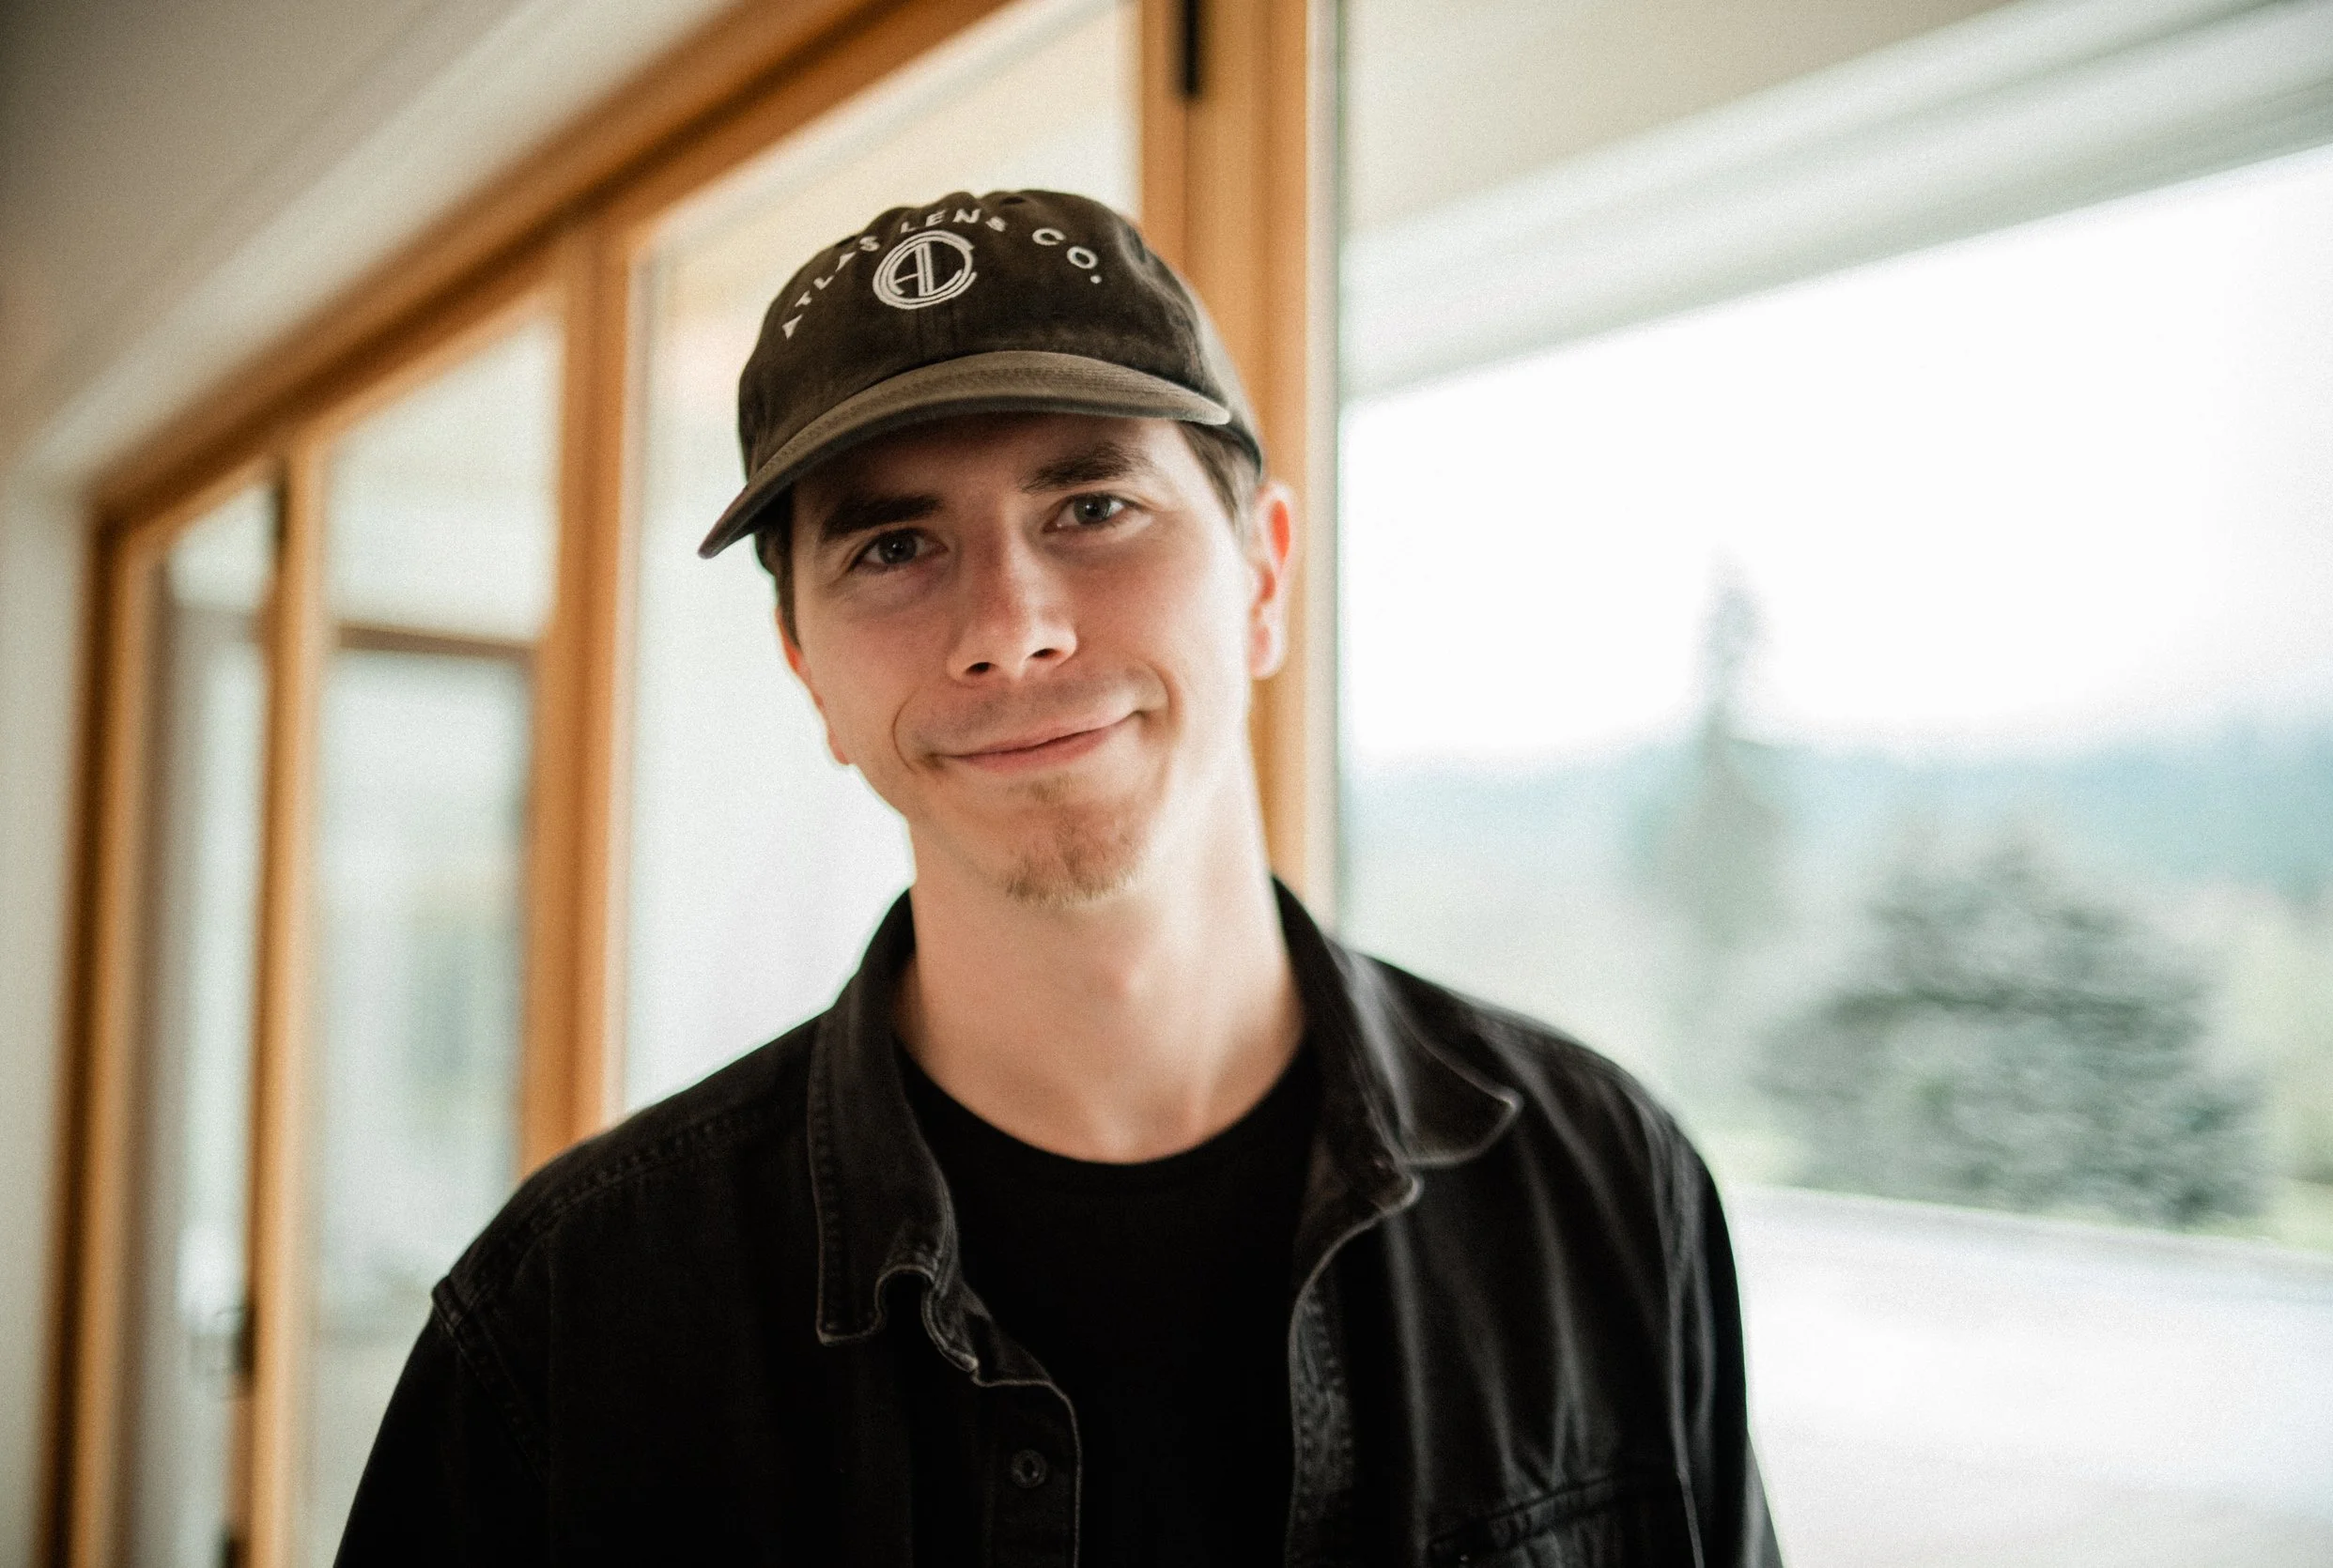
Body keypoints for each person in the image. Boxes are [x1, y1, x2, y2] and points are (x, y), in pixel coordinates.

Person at [336, 189, 1780, 1567]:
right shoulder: (572, 1320)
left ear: (1265, 576)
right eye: (896, 546)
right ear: (809, 673)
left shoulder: (1600, 1185)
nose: (1011, 629)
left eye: (1092, 507)